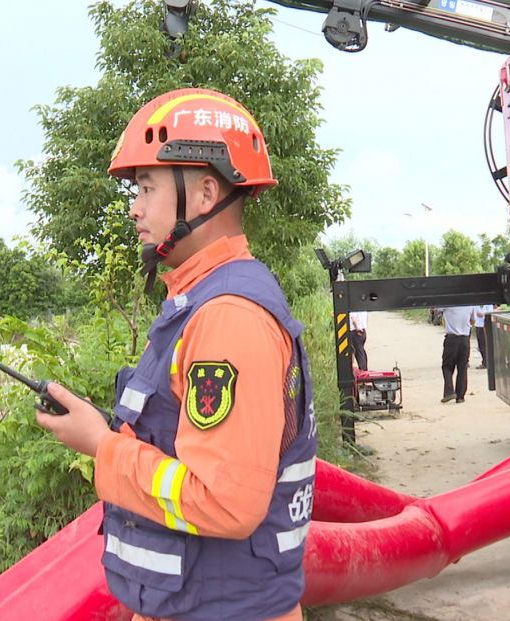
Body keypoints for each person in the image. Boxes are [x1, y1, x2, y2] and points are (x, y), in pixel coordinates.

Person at [35, 88, 316, 621]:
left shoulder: (228, 317)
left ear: (205, 193)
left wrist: (102, 448)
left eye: (146, 188)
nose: (135, 208)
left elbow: (227, 502)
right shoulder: (198, 302)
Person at [439, 305, 473, 403]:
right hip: (465, 339)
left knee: (447, 366)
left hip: (451, 338)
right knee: (462, 367)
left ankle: (449, 391)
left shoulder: (447, 304)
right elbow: (473, 321)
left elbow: (435, 309)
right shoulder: (470, 305)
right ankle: (460, 396)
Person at [472, 303, 495, 369]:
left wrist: (481, 314)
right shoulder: (475, 304)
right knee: (480, 345)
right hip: (478, 325)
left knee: (484, 345)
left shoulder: (488, 304)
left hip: (484, 325)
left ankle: (486, 362)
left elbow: (489, 314)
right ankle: (484, 361)